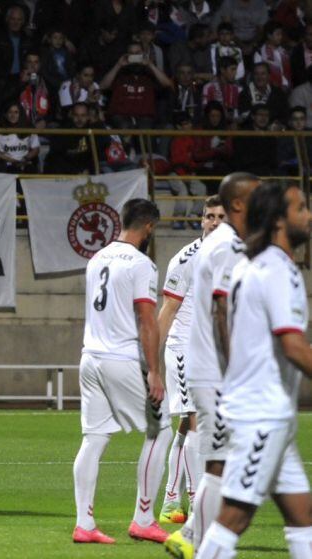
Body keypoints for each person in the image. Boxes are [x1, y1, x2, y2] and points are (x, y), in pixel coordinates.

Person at [197, 182, 312, 559]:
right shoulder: (279, 270)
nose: (308, 216)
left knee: (302, 514)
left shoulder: (250, 264)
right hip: (261, 414)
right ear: (280, 220)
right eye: (302, 209)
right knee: (234, 518)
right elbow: (293, 346)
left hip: (266, 410)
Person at [164, 172, 261, 558]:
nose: (213, 222)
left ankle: (190, 522)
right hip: (200, 358)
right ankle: (191, 521)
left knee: (213, 447)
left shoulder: (224, 245)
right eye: (209, 216)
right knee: (207, 442)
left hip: (207, 360)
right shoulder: (217, 249)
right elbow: (211, 309)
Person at [72, 198, 172, 545]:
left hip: (90, 357)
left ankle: (84, 524)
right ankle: (144, 518)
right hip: (120, 358)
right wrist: (155, 372)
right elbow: (146, 319)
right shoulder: (141, 264)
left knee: (94, 439)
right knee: (161, 430)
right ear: (148, 227)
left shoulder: (96, 258)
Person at [157, 197, 225, 525]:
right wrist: (153, 362)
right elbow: (167, 310)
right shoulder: (187, 258)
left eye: (220, 216)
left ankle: (172, 499)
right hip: (184, 349)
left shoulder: (232, 255)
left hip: (209, 351)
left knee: (187, 426)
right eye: (208, 216)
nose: (213, 222)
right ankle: (197, 500)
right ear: (200, 221)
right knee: (197, 422)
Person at [100, 42, 173, 129]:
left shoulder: (150, 74)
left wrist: (150, 64)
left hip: (145, 117)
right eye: (131, 53)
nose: (134, 56)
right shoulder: (119, 73)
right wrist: (118, 65)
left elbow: (168, 84)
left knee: (145, 128)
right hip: (121, 116)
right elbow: (102, 86)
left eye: (137, 53)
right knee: (125, 126)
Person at [168, 112, 208, 227]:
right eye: (185, 124)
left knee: (201, 188)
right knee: (182, 191)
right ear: (178, 127)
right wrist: (183, 175)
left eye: (190, 123)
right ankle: (178, 218)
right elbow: (176, 162)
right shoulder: (175, 141)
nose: (189, 126)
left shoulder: (193, 139)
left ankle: (194, 215)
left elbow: (194, 159)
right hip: (174, 173)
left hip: (189, 173)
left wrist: (192, 171)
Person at [0, 5, 34, 97]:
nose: (15, 22)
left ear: (23, 22)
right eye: (13, 19)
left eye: (19, 19)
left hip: (22, 79)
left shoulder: (27, 39)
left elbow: (32, 61)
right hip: (2, 81)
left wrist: (28, 74)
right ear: (7, 20)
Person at [43, 102, 93, 174]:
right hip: (62, 175)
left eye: (83, 115)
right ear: (71, 115)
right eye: (76, 115)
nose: (79, 119)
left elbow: (92, 157)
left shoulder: (92, 132)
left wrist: (87, 169)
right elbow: (56, 158)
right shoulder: (62, 132)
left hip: (83, 173)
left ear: (88, 116)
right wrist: (76, 171)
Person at [233, 104, 278, 176]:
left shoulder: (271, 136)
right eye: (260, 115)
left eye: (266, 115)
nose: (263, 118)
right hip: (246, 172)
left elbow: (273, 161)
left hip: (266, 172)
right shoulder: (243, 134)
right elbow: (241, 159)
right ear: (253, 116)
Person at [0, 101, 39, 174]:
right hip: (7, 165)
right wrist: (12, 161)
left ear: (20, 114)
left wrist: (25, 159)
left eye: (16, 112)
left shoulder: (28, 127)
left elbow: (36, 149)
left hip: (25, 163)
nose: (13, 115)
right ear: (5, 114)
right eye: (10, 112)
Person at [253, 21, 291, 89]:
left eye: (281, 34)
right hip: (270, 90)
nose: (280, 37)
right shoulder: (260, 53)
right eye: (278, 34)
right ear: (269, 36)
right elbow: (258, 76)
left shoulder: (284, 52)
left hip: (287, 88)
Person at [202, 57, 240, 123]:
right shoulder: (209, 87)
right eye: (232, 69)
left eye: (236, 70)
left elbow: (236, 112)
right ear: (222, 70)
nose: (235, 73)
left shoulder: (235, 89)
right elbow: (204, 110)